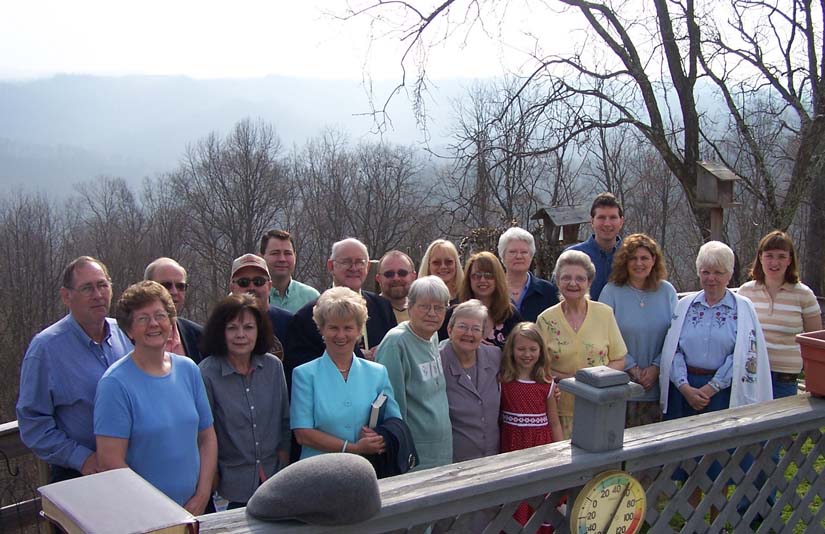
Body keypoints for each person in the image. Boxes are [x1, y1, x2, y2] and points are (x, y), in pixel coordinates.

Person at [94, 281, 217, 514]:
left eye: (160, 315)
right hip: (144, 515)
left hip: (196, 509)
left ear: (171, 323)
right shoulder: (115, 384)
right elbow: (110, 463)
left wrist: (202, 494)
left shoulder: (188, 369)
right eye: (142, 318)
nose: (153, 324)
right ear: (129, 330)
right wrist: (158, 510)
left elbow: (207, 437)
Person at [16, 256, 133, 483]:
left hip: (131, 466)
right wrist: (82, 458)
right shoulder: (46, 349)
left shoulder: (124, 334)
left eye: (102, 285)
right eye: (87, 288)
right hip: (80, 474)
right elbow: (32, 423)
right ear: (66, 296)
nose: (98, 295)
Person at [660, 241, 772, 419]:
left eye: (718, 272)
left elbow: (744, 353)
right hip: (683, 390)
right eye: (706, 272)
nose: (711, 278)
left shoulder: (742, 308)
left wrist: (712, 387)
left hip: (723, 392)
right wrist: (684, 386)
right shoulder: (684, 306)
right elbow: (673, 350)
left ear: (729, 275)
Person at [198, 294, 290, 509]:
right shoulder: (206, 373)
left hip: (275, 478)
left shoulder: (273, 367)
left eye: (248, 327)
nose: (241, 335)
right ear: (220, 332)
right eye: (232, 328)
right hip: (229, 488)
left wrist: (283, 459)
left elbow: (284, 419)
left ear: (259, 331)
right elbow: (204, 433)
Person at [290, 287, 401, 459]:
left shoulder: (378, 373)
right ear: (322, 330)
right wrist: (354, 448)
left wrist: (378, 438)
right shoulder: (304, 375)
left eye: (348, 328)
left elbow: (394, 421)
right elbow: (302, 433)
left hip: (365, 470)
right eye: (333, 328)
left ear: (359, 331)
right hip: (316, 471)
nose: (341, 335)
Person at [537, 250, 627, 438]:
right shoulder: (545, 320)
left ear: (589, 282)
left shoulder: (604, 314)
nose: (573, 283)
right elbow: (537, 366)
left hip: (600, 405)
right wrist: (569, 379)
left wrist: (594, 381)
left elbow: (619, 359)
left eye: (580, 278)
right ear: (557, 281)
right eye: (566, 277)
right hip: (560, 411)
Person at [285, 238, 396, 386]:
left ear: (368, 267)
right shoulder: (308, 316)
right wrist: (356, 357)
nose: (354, 267)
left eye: (359, 262)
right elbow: (302, 368)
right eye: (346, 262)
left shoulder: (383, 307)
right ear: (331, 266)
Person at [599, 234, 677, 427]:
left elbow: (676, 335)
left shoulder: (667, 291)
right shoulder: (611, 292)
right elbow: (604, 335)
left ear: (654, 261)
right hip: (621, 386)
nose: (639, 263)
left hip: (659, 386)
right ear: (624, 262)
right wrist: (631, 367)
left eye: (644, 258)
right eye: (633, 258)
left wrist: (656, 367)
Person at [376, 276, 453, 470]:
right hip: (415, 456)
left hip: (441, 451)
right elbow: (393, 407)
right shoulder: (396, 343)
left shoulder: (433, 336)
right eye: (425, 306)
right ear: (410, 307)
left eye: (439, 307)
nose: (432, 313)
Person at [738, 230, 822, 399]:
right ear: (760, 258)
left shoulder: (804, 295)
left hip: (785, 381)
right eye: (769, 255)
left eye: (781, 256)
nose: (774, 262)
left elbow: (815, 343)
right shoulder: (745, 292)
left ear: (790, 260)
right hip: (752, 377)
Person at [499, 322, 563, 533]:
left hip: (540, 448)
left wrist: (560, 452)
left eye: (532, 349)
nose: (527, 354)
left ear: (540, 351)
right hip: (511, 447)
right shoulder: (503, 380)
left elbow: (554, 421)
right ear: (511, 350)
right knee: (515, 497)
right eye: (521, 349)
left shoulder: (546, 382)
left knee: (538, 494)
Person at [439, 300, 501, 463]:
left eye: (476, 329)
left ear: (483, 334)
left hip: (493, 460)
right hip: (455, 463)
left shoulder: (495, 356)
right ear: (449, 329)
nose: (469, 333)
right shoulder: (437, 362)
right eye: (462, 327)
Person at [440, 251, 523, 348]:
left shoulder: (510, 315)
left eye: (488, 275)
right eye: (476, 276)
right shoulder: (453, 314)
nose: (482, 280)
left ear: (497, 279)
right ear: (469, 279)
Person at [229, 253, 293, 360]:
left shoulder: (289, 323)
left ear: (269, 285)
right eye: (243, 282)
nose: (251, 287)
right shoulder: (222, 324)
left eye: (258, 281)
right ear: (232, 287)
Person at [565, 192, 625, 300]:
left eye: (613, 217)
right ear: (592, 221)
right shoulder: (573, 256)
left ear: (621, 222)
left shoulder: (631, 256)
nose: (607, 223)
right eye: (601, 217)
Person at [144, 257, 204, 363]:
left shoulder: (198, 337)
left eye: (180, 286)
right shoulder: (129, 336)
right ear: (146, 287)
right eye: (166, 285)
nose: (174, 292)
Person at [498, 227, 558, 322]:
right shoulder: (494, 291)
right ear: (502, 256)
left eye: (524, 252)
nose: (518, 256)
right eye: (512, 252)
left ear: (531, 256)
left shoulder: (548, 291)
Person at [260, 229, 320, 313]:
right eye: (275, 253)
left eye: (287, 253)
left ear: (295, 256)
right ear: (261, 257)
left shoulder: (311, 297)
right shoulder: (255, 296)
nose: (282, 259)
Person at [376, 250, 417, 323]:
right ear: (378, 279)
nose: (396, 278)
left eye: (402, 273)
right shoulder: (368, 311)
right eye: (389, 274)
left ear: (413, 276)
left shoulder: (422, 313)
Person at [419, 239, 463, 304]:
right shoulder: (418, 301)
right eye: (436, 262)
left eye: (449, 262)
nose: (443, 266)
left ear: (456, 265)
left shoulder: (466, 299)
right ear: (428, 266)